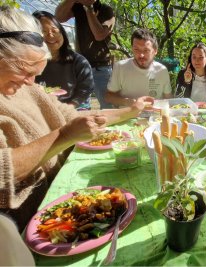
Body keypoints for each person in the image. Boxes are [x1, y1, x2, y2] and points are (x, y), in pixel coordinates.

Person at [0, 6, 153, 232]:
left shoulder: (29, 90)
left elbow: (74, 116)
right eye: (25, 70)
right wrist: (64, 136)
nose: (31, 82)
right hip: (25, 226)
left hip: (58, 197)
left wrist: (130, 111)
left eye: (36, 73)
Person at [55, 0, 115, 109]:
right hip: (81, 67)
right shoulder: (77, 7)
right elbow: (58, 17)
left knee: (109, 105)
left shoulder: (107, 10)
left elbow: (99, 35)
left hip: (101, 67)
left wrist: (89, 8)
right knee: (81, 107)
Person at [33, 10, 94, 110]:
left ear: (62, 33)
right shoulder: (29, 63)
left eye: (54, 30)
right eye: (43, 31)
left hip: (73, 109)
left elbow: (85, 91)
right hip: (40, 110)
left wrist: (66, 109)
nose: (50, 35)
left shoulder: (79, 62)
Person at [105, 28, 172, 107]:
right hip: (128, 116)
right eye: (136, 49)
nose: (141, 55)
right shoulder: (120, 67)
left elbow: (168, 98)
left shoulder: (162, 70)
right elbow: (108, 96)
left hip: (154, 118)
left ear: (155, 51)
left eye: (146, 50)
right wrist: (129, 102)